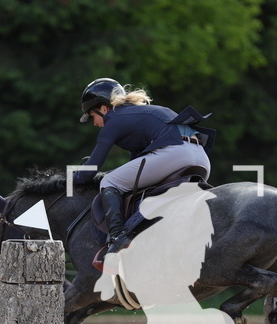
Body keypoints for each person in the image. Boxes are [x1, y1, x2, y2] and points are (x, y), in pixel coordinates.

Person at [72, 78, 214, 255]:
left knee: (109, 182)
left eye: (92, 116)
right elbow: (137, 166)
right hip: (201, 158)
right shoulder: (141, 114)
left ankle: (118, 236)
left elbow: (89, 171)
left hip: (175, 154)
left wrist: (73, 178)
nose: (94, 122)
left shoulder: (114, 120)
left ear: (103, 108)